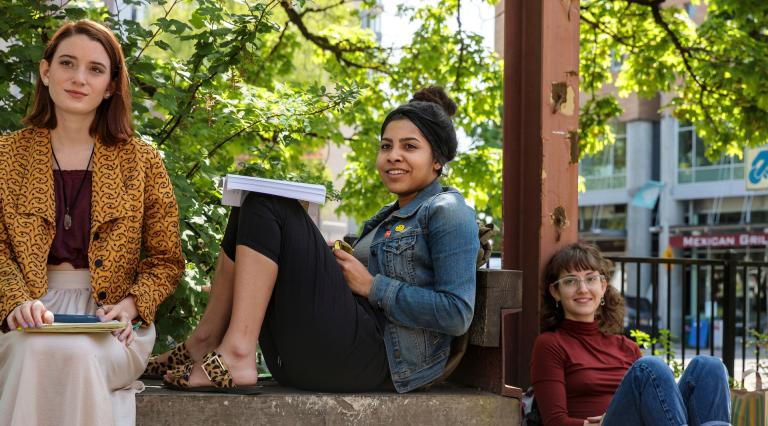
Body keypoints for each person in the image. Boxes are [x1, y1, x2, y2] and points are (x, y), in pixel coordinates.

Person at [154, 87, 479, 393]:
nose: (393, 155)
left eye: (409, 147)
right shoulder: (385, 219)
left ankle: (238, 352)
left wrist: (372, 286)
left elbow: (456, 313)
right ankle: (207, 340)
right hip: (312, 357)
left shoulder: (448, 211)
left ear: (437, 160)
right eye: (386, 146)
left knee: (269, 203)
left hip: (378, 361)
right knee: (250, 203)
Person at [0, 20, 184, 426]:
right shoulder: (5, 156)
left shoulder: (141, 162)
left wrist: (134, 304)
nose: (79, 78)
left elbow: (166, 259)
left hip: (112, 321)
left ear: (112, 85)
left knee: (80, 352)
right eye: (67, 63)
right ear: (46, 71)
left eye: (95, 69)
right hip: (26, 311)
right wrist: (15, 303)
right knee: (34, 350)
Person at [530, 242, 731, 426]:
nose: (583, 289)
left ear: (603, 286)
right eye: (571, 281)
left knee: (709, 367)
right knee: (649, 367)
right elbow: (555, 422)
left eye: (591, 278)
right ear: (556, 292)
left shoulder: (626, 346)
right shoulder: (550, 344)